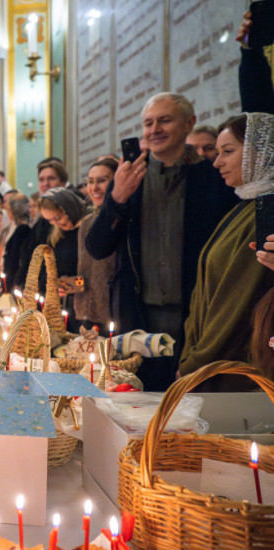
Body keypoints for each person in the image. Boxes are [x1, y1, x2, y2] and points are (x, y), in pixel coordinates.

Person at [85, 92, 239, 390]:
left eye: (165, 120)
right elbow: (97, 246)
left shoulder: (213, 177)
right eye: (148, 123)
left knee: (192, 400)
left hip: (195, 315)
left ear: (188, 124)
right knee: (137, 400)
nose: (154, 129)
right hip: (138, 315)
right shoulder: (130, 177)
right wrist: (117, 197)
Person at [179, 113, 274, 391]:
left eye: (228, 151)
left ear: (260, 153)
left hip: (236, 372)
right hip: (211, 362)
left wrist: (195, 364)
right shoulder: (245, 205)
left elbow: (237, 301)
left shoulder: (266, 211)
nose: (217, 162)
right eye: (217, 152)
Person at [75, 158, 118, 330]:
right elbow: (83, 269)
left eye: (102, 181)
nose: (95, 188)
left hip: (113, 312)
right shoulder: (86, 223)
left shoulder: (120, 218)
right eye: (91, 182)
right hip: (88, 311)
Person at [38, 188, 87, 331]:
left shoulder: (87, 229)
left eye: (58, 218)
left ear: (69, 209)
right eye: (50, 220)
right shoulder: (57, 235)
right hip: (64, 305)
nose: (55, 224)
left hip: (84, 306)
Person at [0, 194, 31, 284]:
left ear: (14, 211)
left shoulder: (23, 229)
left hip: (13, 277)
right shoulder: (15, 226)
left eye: (8, 210)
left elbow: (15, 257)